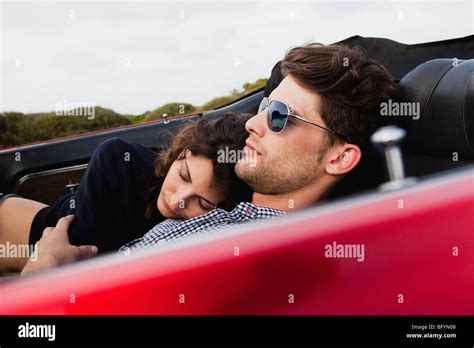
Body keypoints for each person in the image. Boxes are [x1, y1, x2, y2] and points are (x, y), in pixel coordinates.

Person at [20, 42, 398, 274]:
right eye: (264, 106)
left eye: (280, 115)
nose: (253, 122)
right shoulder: (233, 218)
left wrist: (43, 274)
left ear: (339, 158)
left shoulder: (250, 255)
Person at [0, 113, 253, 275]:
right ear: (180, 153)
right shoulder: (118, 161)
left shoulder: (220, 228)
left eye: (204, 203)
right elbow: (77, 269)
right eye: (183, 175)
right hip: (15, 228)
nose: (177, 201)